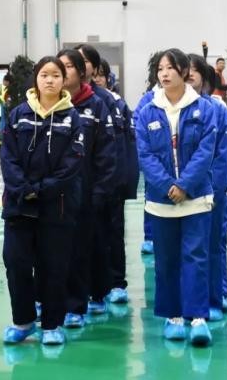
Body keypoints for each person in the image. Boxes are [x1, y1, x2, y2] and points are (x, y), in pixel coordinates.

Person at [0, 56, 84, 346]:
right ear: (36, 78)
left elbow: (72, 163)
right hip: (19, 204)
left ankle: (51, 325)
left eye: (56, 75)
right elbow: (8, 157)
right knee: (16, 263)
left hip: (56, 206)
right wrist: (24, 188)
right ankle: (23, 321)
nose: (50, 80)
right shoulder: (19, 114)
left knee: (54, 267)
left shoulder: (72, 118)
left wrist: (43, 189)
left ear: (64, 81)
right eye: (44, 74)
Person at [135, 48, 216, 346]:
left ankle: (198, 317)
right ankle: (173, 316)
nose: (164, 73)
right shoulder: (147, 111)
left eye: (170, 68)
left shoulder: (204, 108)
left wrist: (184, 185)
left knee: (196, 257)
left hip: (196, 198)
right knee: (166, 260)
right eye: (160, 69)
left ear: (184, 71)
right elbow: (144, 155)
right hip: (162, 201)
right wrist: (168, 185)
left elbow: (206, 151)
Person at [57, 49, 116, 329]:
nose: (63, 72)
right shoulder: (48, 105)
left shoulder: (96, 106)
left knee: (82, 249)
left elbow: (107, 153)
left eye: (69, 66)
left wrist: (100, 191)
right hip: (53, 194)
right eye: (59, 66)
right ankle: (50, 300)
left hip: (86, 192)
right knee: (52, 251)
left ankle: (76, 306)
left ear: (82, 72)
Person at [75, 43, 126, 314]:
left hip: (101, 184)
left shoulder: (105, 101)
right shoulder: (56, 99)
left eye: (84, 61)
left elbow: (115, 147)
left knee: (106, 235)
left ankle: (110, 285)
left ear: (94, 68)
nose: (78, 65)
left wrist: (111, 185)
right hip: (68, 189)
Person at [188, 54, 227, 319]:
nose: (190, 74)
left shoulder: (218, 110)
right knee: (189, 250)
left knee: (214, 244)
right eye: (186, 69)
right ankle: (188, 301)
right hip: (182, 194)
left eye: (195, 70)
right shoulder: (171, 110)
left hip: (212, 193)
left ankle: (216, 297)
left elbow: (222, 157)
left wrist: (213, 191)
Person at [95, 58, 139, 304]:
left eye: (102, 74)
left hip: (113, 182)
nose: (98, 78)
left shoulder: (116, 104)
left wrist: (125, 183)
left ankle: (116, 282)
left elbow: (127, 146)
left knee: (113, 233)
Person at [133, 52, 163, 255]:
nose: (166, 73)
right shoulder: (148, 100)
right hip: (154, 163)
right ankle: (150, 237)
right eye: (161, 69)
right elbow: (138, 128)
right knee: (151, 200)